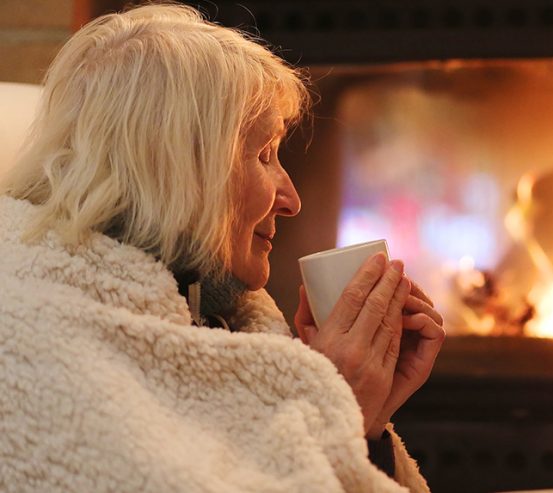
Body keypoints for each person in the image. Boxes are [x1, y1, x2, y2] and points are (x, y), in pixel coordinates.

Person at [0, 4, 444, 492]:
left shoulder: (216, 309)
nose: (291, 200)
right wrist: (336, 401)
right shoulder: (34, 339)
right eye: (263, 155)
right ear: (176, 171)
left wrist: (359, 420)